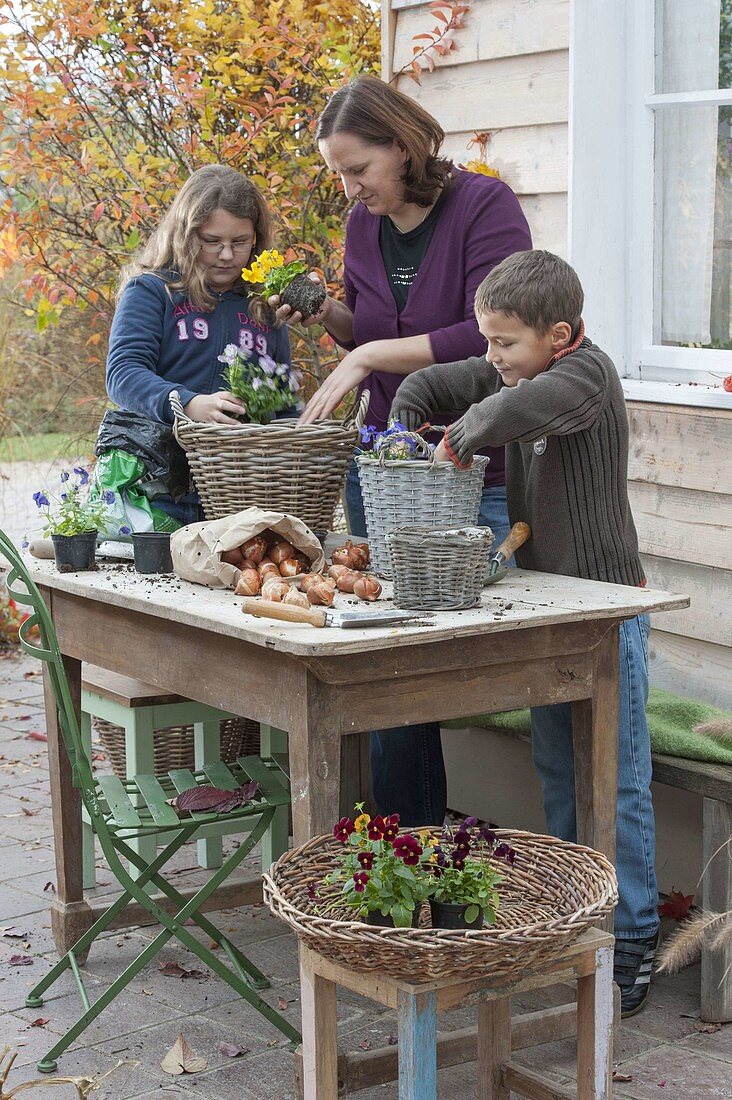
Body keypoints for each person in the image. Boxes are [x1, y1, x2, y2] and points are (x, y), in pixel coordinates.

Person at [390, 249, 659, 1017]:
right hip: (552, 617)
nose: (492, 357)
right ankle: (583, 912)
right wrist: (410, 412)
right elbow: (441, 384)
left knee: (613, 773)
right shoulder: (515, 372)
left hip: (608, 614)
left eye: (504, 343)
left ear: (560, 335)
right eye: (489, 342)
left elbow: (505, 411)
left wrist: (462, 437)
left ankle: (633, 936)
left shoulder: (587, 377)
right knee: (558, 769)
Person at [277, 75, 531, 826]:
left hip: (473, 472)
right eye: (339, 174)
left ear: (402, 144)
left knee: (458, 660)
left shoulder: (485, 207)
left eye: (358, 169)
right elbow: (370, 330)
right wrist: (327, 314)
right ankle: (407, 846)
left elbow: (491, 341)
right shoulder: (365, 229)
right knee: (388, 675)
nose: (350, 188)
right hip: (386, 478)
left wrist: (365, 359)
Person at [106, 164, 291, 525]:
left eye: (239, 242)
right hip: (158, 484)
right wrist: (186, 402)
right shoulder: (153, 291)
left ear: (256, 237)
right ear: (186, 235)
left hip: (239, 489)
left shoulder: (263, 303)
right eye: (211, 241)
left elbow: (281, 397)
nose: (226, 255)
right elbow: (123, 374)